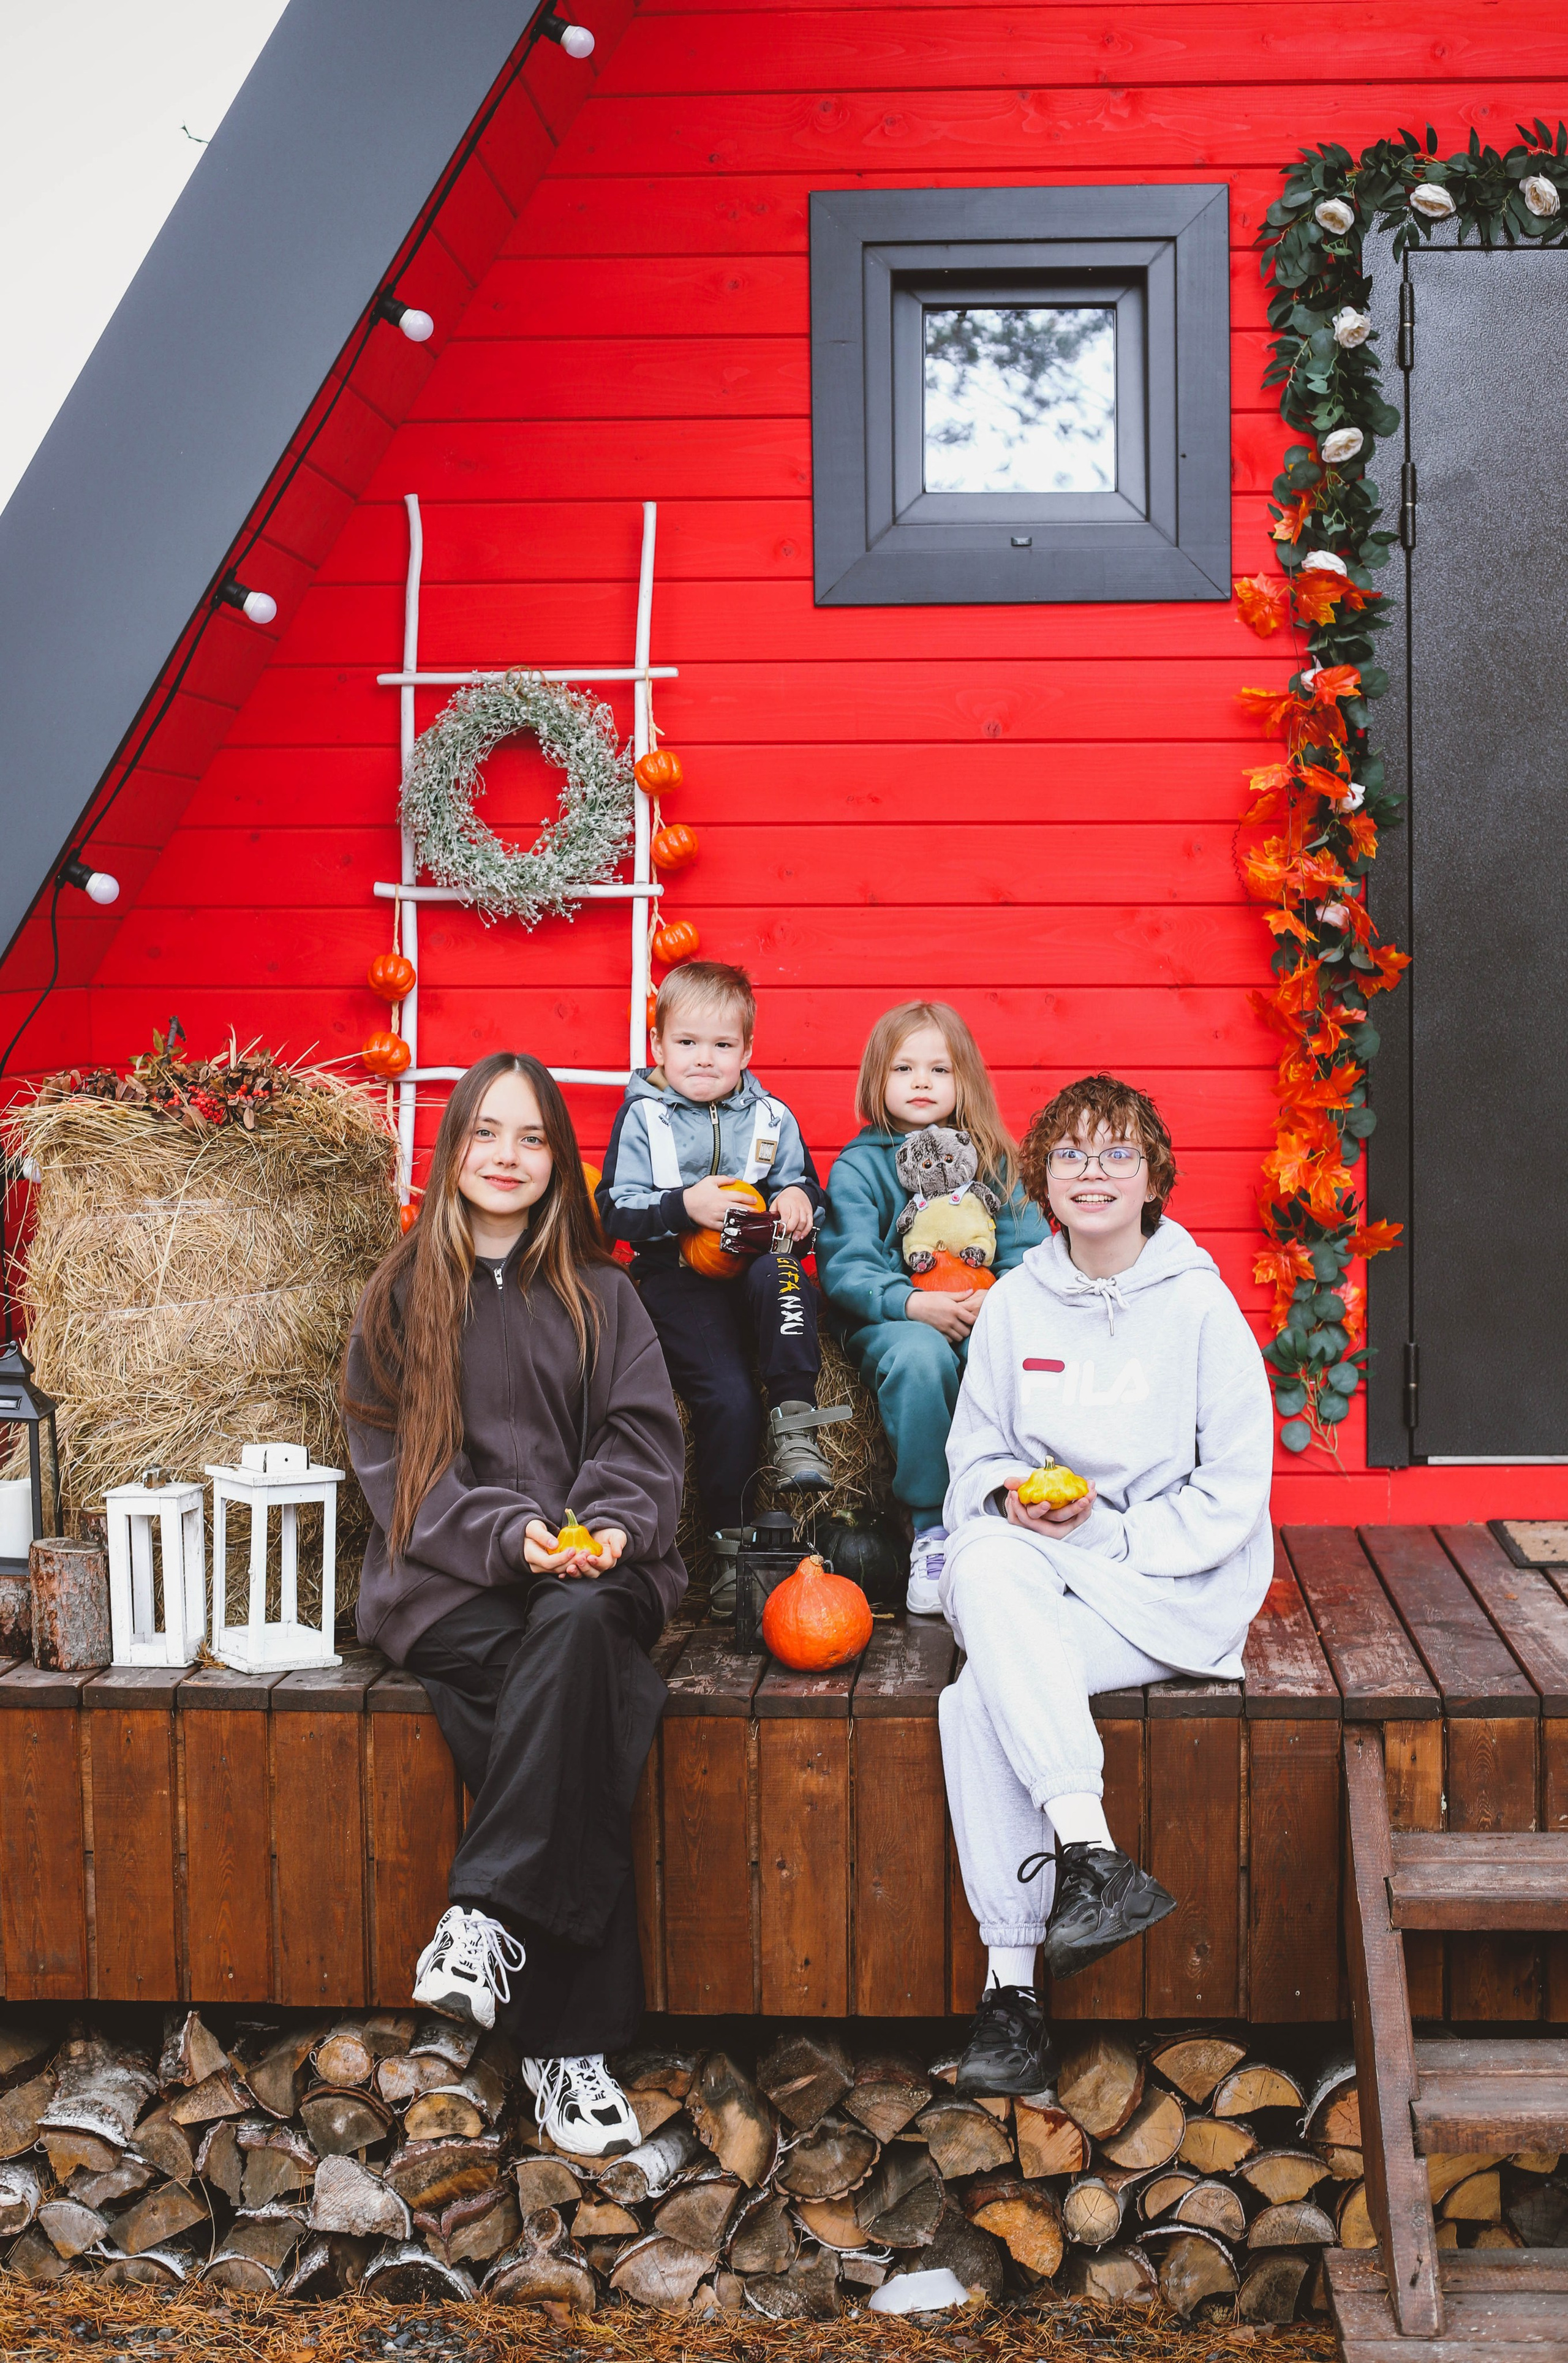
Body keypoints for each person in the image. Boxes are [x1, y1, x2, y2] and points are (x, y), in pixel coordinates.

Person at [342, 1052, 687, 2157]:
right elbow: (397, 1472)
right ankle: (570, 2050)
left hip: (593, 1574)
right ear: (452, 1149)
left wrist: (610, 1526)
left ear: (559, 1161)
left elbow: (643, 1438)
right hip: (454, 1583)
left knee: (578, 1639)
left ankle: (482, 1915)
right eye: (488, 1132)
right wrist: (506, 1534)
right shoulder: (401, 1296)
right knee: (589, 1699)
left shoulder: (605, 1294)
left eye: (533, 1137)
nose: (508, 1155)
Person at [938, 1073, 1274, 2097]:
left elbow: (1235, 1489)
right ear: (1043, 1178)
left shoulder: (1201, 1306)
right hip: (1044, 1568)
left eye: (1117, 1152)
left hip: (1168, 1586)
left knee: (977, 1694)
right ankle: (1088, 1854)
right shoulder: (1014, 1305)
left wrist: (1114, 1535)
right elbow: (973, 1457)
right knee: (981, 1561)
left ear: (1153, 1179)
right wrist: (1010, 1495)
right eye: (1072, 1153)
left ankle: (1010, 1991)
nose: (1094, 1171)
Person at [596, 962, 843, 1617]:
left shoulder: (771, 1116)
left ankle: (796, 1423)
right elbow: (614, 1212)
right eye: (687, 1042)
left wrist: (798, 1199)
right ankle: (731, 1550)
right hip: (677, 1278)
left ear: (747, 1051)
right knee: (729, 1399)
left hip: (756, 1268)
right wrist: (683, 1207)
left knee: (786, 1273)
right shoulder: (644, 1119)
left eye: (722, 1044)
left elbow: (804, 1192)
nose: (704, 1058)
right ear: (658, 1045)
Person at [816, 1003, 1046, 1613]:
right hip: (893, 1322)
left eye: (939, 1069)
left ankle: (1012, 1508)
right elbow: (847, 1266)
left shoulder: (995, 1161)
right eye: (904, 1068)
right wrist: (912, 1302)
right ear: (877, 1078)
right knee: (922, 1360)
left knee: (1013, 1356)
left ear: (964, 1078)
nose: (921, 1082)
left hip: (978, 1310)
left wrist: (992, 1300)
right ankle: (933, 1527)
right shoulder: (860, 1166)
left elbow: (1027, 1255)